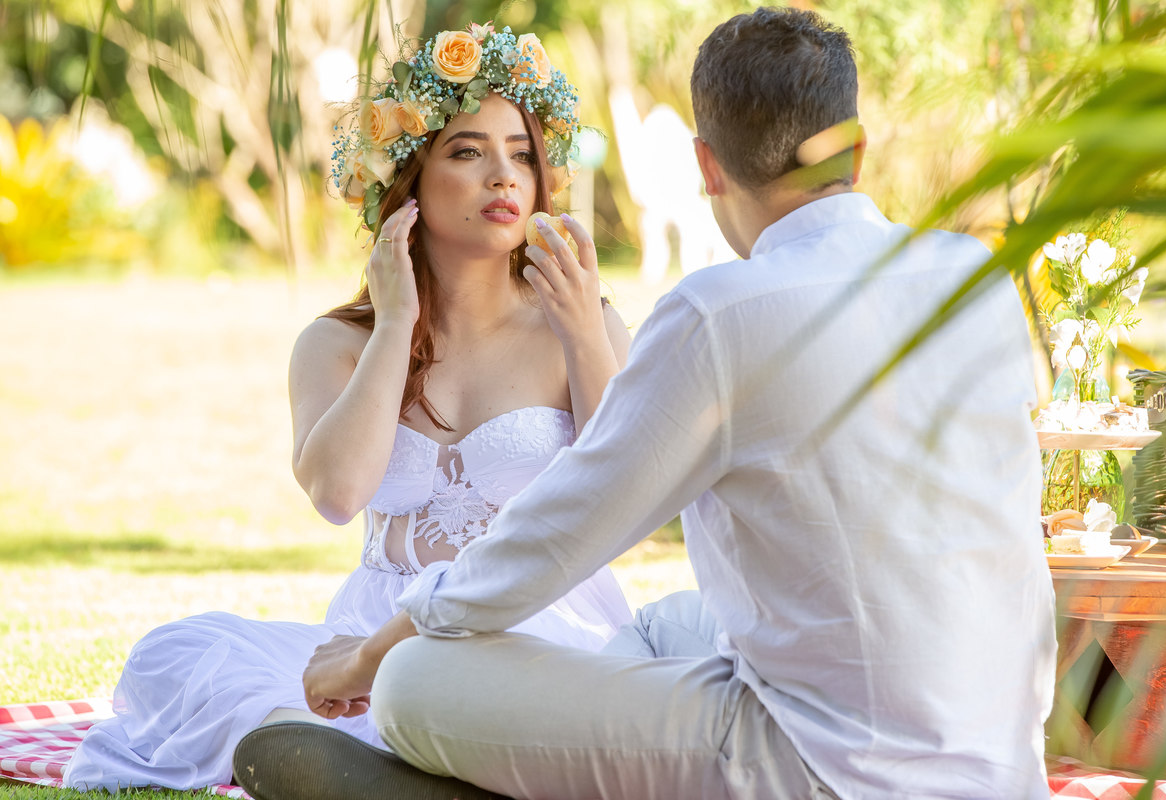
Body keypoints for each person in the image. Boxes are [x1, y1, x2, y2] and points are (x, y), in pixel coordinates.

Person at [234, 8, 1057, 800]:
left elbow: (560, 532)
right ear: (858, 149)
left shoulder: (722, 311)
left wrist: (373, 653)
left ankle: (478, 784)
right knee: (668, 626)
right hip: (996, 754)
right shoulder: (977, 278)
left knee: (414, 680)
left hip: (817, 763)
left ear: (706, 166)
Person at [62, 22, 634, 794]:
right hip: (368, 640)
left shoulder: (581, 318)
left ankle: (407, 760)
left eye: (522, 153)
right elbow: (337, 496)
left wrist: (585, 338)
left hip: (535, 624)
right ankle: (353, 756)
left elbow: (625, 493)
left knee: (476, 681)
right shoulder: (334, 343)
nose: (504, 175)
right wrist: (395, 325)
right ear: (408, 176)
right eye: (468, 150)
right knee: (173, 653)